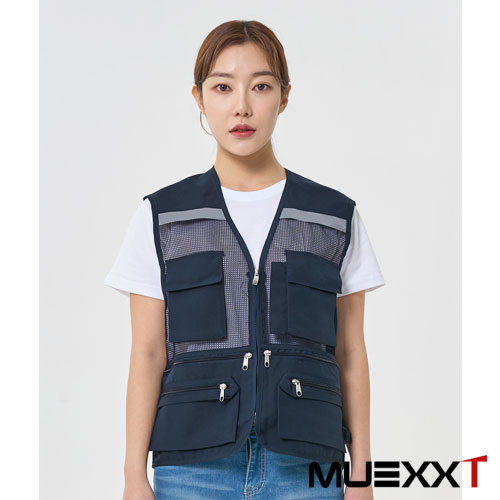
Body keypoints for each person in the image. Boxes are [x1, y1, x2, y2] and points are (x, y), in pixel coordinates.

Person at [105, 19, 385, 500]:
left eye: (261, 86)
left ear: (284, 96)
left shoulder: (333, 216)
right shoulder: (162, 216)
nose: (242, 106)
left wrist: (362, 475)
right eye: (222, 87)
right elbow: (148, 352)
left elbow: (351, 354)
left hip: (307, 466)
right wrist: (134, 475)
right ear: (199, 98)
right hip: (192, 469)